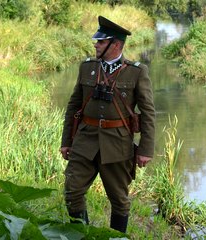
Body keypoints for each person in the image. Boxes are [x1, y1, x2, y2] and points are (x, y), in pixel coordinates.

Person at [60, 16, 156, 233]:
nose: (96, 44)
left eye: (101, 42)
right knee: (72, 191)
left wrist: (145, 149)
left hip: (117, 145)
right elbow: (73, 106)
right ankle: (82, 235)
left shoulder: (137, 72)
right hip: (85, 141)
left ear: (116, 45)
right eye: (97, 41)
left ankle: (116, 238)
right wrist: (66, 141)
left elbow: (148, 113)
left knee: (119, 199)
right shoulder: (87, 68)